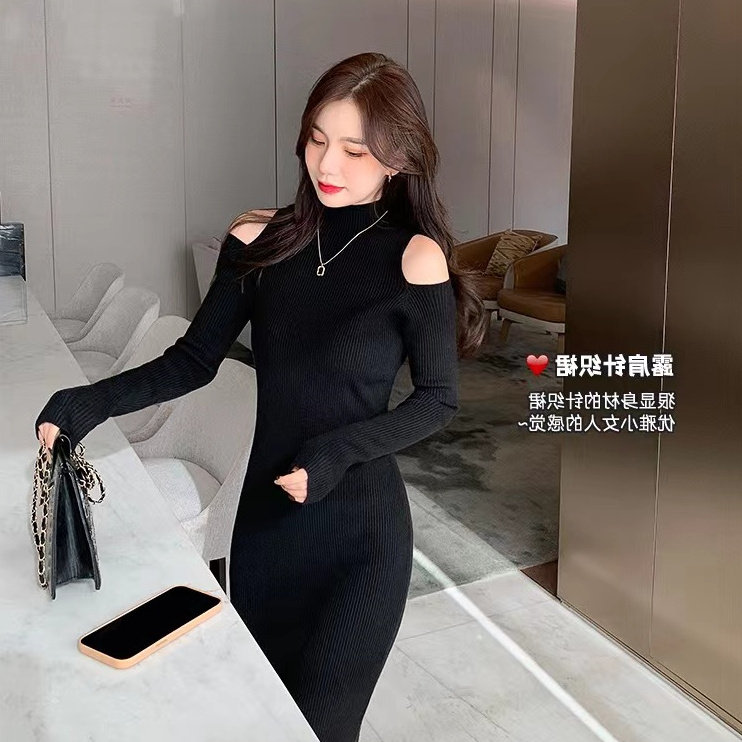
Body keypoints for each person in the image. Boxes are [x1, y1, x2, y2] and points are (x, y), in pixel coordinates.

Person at [36, 52, 487, 742]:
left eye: (355, 150)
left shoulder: (414, 258)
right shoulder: (259, 240)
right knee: (257, 715)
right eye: (317, 139)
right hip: (264, 531)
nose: (327, 164)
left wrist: (335, 453)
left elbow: (436, 400)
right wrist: (86, 404)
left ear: (398, 160)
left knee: (323, 729)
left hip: (360, 539)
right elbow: (192, 361)